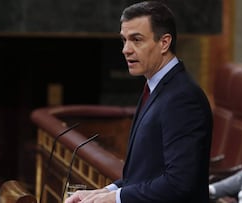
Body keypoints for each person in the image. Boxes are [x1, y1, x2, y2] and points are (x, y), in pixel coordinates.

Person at [65, 1, 213, 203]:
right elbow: (146, 172)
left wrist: (114, 199)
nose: (126, 49)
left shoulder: (183, 98)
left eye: (136, 40)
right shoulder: (155, 87)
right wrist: (102, 192)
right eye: (124, 40)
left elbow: (179, 183)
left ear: (164, 43)